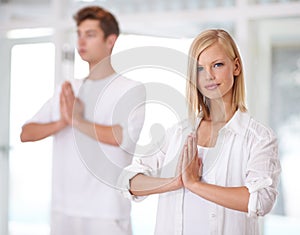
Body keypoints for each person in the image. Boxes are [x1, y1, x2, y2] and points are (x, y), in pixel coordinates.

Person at [118, 29, 281, 235]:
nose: (209, 76)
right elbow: (129, 181)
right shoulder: (177, 133)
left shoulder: (258, 138)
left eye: (217, 65)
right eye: (200, 68)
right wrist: (175, 182)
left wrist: (194, 184)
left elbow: (261, 200)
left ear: (236, 66)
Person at [20, 6, 145, 235]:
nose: (81, 41)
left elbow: (121, 137)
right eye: (79, 33)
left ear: (110, 40)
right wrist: (63, 122)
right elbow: (26, 133)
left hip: (107, 212)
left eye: (90, 34)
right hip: (64, 209)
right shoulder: (68, 89)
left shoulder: (130, 89)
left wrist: (77, 120)